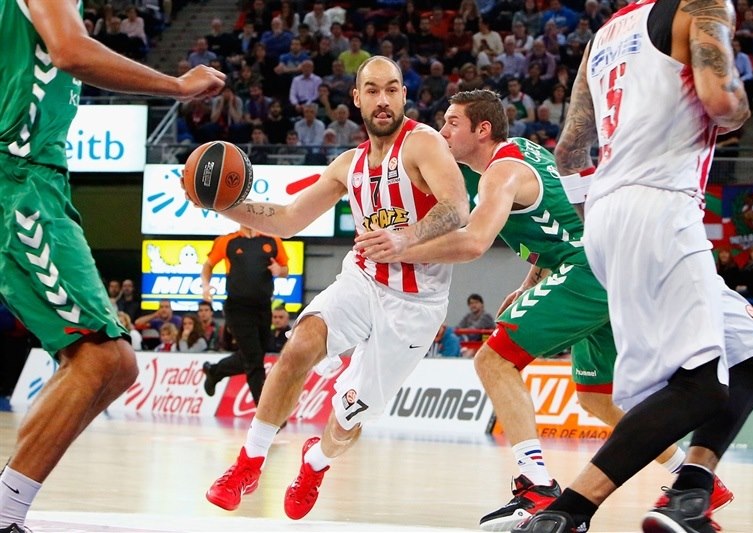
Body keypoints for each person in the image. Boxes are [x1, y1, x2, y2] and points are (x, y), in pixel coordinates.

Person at [357, 89, 753, 531]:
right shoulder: (526, 152)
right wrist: (529, 283)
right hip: (602, 267)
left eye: (452, 123)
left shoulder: (501, 172)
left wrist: (402, 246)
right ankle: (690, 477)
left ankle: (536, 485)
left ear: (482, 130)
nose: (442, 132)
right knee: (595, 395)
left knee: (493, 359)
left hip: (587, 271)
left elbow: (474, 242)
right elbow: (560, 223)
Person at [517, 1, 753, 531]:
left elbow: (569, 151)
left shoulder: (605, 35)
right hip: (660, 205)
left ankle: (690, 491)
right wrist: (740, 99)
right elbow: (722, 102)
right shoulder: (704, 6)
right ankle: (567, 514)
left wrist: (601, 221)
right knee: (701, 386)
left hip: (606, 213)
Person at [200, 56, 468, 519]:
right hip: (362, 280)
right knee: (300, 345)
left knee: (347, 420)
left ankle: (315, 462)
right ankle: (249, 462)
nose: (382, 100)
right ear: (356, 98)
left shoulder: (423, 144)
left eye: (392, 89)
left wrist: (405, 238)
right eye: (372, 90)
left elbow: (457, 207)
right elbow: (288, 219)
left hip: (416, 303)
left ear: (404, 95)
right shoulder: (349, 164)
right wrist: (221, 204)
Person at [0, 2, 224, 527]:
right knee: (102, 360)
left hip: (38, 178)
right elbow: (69, 51)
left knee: (113, 365)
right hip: (20, 181)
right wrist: (177, 86)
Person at [200, 225, 289, 404]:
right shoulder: (227, 241)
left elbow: (285, 269)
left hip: (263, 306)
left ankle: (215, 371)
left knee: (254, 355)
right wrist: (205, 285)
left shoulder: (272, 240)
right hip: (237, 307)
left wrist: (279, 271)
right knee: (254, 360)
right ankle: (264, 411)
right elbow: (208, 265)